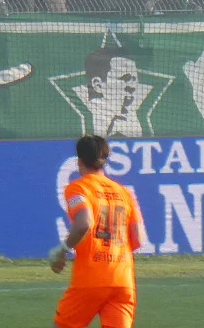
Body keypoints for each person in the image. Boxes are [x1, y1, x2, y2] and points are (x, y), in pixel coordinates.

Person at [49, 134, 145, 328]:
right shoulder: (123, 192)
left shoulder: (78, 188)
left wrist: (61, 250)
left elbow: (84, 223)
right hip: (122, 281)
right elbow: (139, 239)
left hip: (90, 280)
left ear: (79, 161)